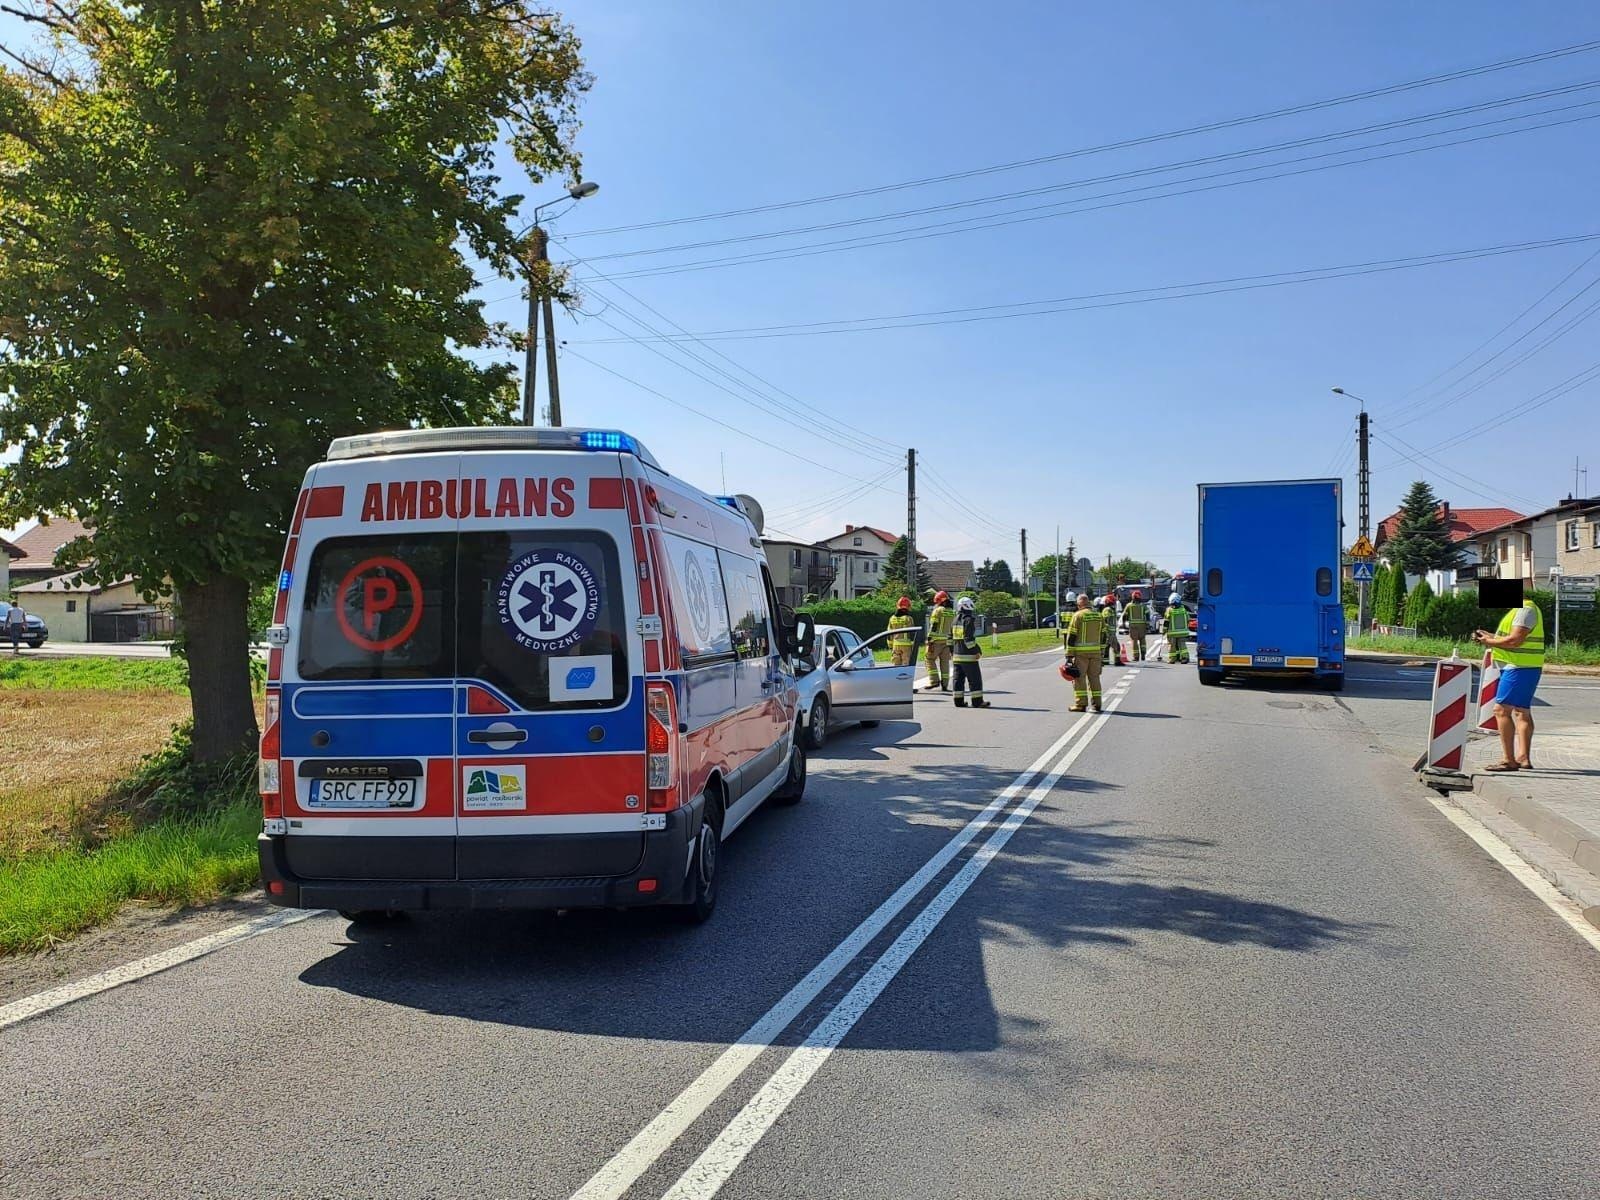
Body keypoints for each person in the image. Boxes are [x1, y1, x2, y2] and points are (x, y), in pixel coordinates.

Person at [1473, 598, 1545, 771]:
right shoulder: (1522, 609)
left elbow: (1515, 641)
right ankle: (1523, 758)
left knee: (1501, 710)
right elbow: (1513, 638)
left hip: (1518, 667)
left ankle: (1509, 760)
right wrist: (1492, 637)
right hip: (1524, 666)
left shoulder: (1524, 610)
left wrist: (1488, 642)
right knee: (1522, 711)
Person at [1063, 593, 1105, 713]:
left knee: (1079, 679)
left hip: (1081, 654)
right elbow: (1104, 635)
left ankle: (1080, 704)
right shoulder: (1099, 615)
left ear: (1079, 604)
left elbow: (1071, 637)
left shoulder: (1078, 615)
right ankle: (1097, 704)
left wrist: (1069, 655)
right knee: (1095, 678)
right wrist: (1101, 652)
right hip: (1096, 653)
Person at [950, 595, 989, 708]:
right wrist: (977, 650)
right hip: (968, 657)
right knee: (975, 679)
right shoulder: (968, 620)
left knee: (958, 680)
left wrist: (951, 651)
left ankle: (958, 702)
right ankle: (977, 702)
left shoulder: (954, 620)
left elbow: (949, 637)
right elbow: (969, 640)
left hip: (956, 656)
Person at [925, 590, 954, 691]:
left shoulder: (938, 610)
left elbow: (934, 626)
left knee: (929, 659)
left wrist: (929, 639)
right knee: (945, 662)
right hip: (947, 641)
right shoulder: (952, 611)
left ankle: (934, 681)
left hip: (936, 640)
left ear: (939, 601)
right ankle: (945, 684)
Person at [888, 595, 917, 667]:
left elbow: (889, 634)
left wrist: (890, 646)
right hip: (906, 646)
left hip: (896, 645)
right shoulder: (908, 618)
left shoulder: (892, 618)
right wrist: (914, 646)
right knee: (906, 666)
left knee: (896, 665)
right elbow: (912, 633)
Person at [1164, 592, 1190, 664]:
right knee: (1182, 646)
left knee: (1172, 646)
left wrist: (1164, 631)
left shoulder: (1169, 610)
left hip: (1172, 633)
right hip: (1183, 632)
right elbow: (1188, 619)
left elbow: (1166, 622)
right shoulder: (1183, 609)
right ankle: (1184, 658)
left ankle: (1172, 659)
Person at [1125, 590, 1149, 663]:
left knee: (1134, 641)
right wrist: (1147, 624)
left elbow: (1125, 615)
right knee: (1142, 640)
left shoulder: (1129, 606)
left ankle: (1136, 656)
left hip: (1133, 626)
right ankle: (1143, 654)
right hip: (1142, 626)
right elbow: (1147, 615)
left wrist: (1124, 624)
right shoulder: (1143, 606)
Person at [1100, 595, 1120, 667]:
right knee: (1107, 646)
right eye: (1113, 602)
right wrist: (1106, 632)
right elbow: (1105, 620)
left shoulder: (1111, 610)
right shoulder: (1107, 610)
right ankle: (1105, 661)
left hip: (1112, 633)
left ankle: (1117, 661)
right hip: (1108, 632)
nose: (1114, 604)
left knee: (1116, 646)